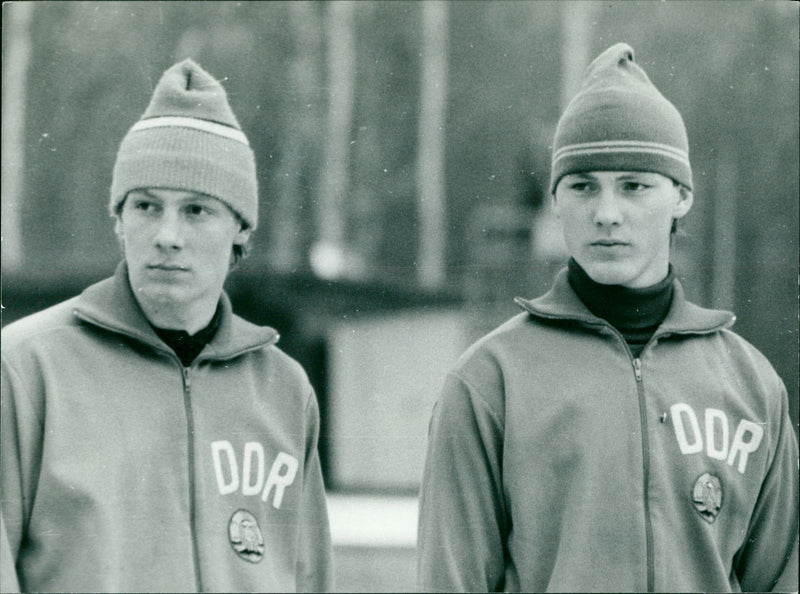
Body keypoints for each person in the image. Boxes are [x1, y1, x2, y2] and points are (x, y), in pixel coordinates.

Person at [416, 43, 798, 592]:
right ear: (555, 199)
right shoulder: (489, 382)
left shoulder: (751, 386)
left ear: (682, 196)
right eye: (582, 185)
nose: (606, 213)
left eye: (634, 185)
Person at [1, 59, 333, 593]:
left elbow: (310, 577)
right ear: (118, 220)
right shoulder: (24, 369)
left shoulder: (285, 390)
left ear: (240, 231)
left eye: (197, 210)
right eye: (147, 206)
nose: (167, 235)